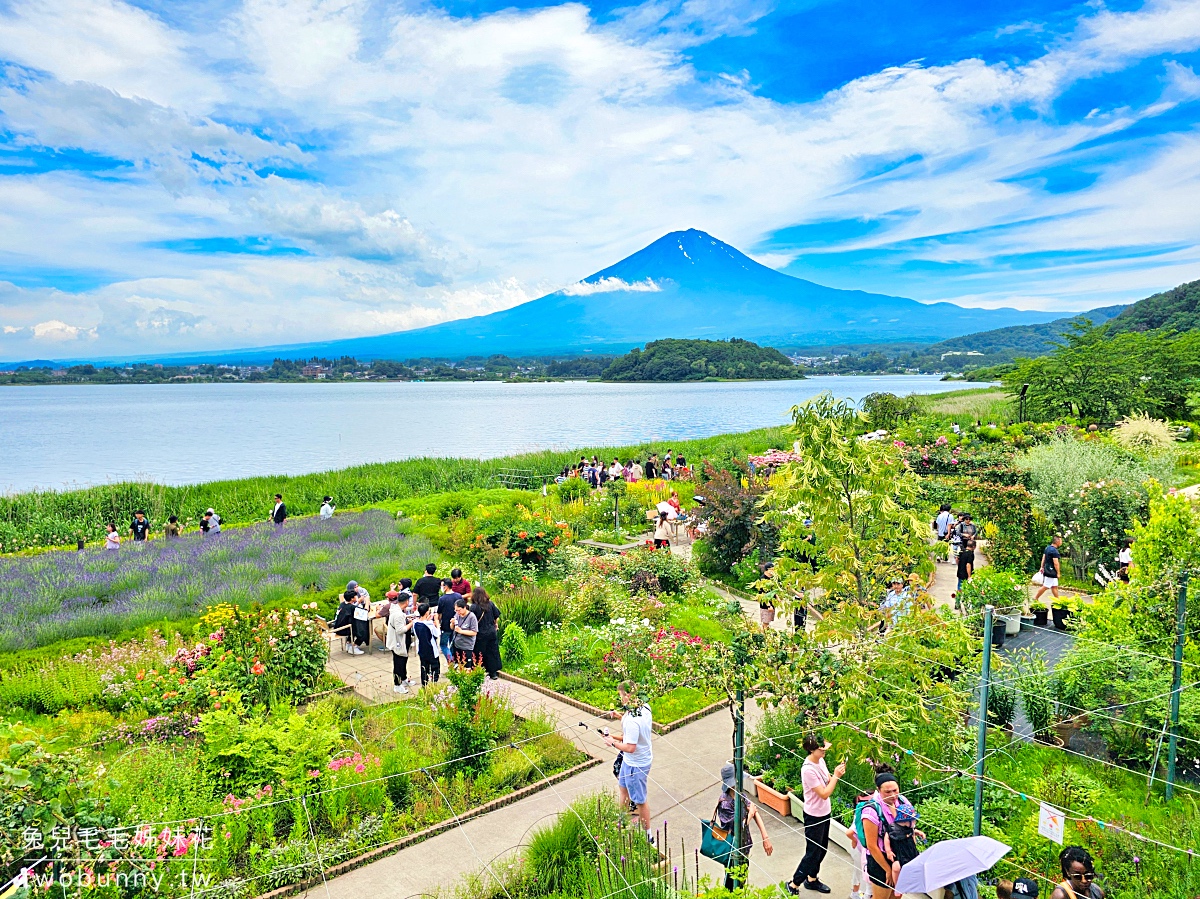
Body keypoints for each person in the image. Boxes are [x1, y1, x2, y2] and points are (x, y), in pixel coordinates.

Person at [786, 734, 846, 895]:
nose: (824, 751)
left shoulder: (821, 761)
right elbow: (824, 793)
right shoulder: (807, 770)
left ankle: (812, 879)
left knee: (822, 849)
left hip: (825, 812)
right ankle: (794, 883)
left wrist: (834, 776)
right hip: (814, 815)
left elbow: (827, 780)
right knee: (813, 852)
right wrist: (836, 777)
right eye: (821, 749)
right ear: (812, 750)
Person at [857, 769, 922, 899]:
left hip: (901, 855)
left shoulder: (902, 801)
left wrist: (915, 832)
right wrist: (887, 870)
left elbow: (908, 825)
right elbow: (872, 846)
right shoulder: (871, 811)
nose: (893, 795)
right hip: (881, 860)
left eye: (895, 790)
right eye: (887, 792)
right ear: (878, 790)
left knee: (897, 895)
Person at [602, 681, 654, 842]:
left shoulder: (632, 720)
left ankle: (649, 837)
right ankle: (620, 822)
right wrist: (619, 717)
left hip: (635, 764)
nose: (621, 700)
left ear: (629, 696)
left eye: (622, 697)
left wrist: (612, 742)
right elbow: (633, 733)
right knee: (623, 789)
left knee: (640, 801)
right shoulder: (644, 707)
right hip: (632, 761)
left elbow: (630, 746)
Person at [714, 761, 773, 890]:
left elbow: (753, 809)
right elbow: (737, 827)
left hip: (744, 846)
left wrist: (765, 837)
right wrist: (750, 814)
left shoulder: (739, 794)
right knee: (732, 883)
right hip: (732, 849)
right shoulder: (725, 803)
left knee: (742, 878)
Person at [386, 596, 417, 693]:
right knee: (398, 663)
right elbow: (400, 630)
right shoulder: (398, 614)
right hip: (398, 642)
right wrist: (412, 623)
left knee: (403, 660)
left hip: (402, 641)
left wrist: (407, 619)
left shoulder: (396, 610)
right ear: (406, 601)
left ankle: (403, 679)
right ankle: (397, 684)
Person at [470, 586, 502, 678]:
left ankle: (479, 671)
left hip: (480, 633)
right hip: (491, 631)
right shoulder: (490, 604)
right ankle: (493, 673)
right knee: (492, 651)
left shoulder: (474, 607)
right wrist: (495, 625)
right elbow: (497, 617)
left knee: (479, 652)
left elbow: (472, 621)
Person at [412, 602, 441, 686]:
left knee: (424, 668)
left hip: (421, 648)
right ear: (426, 612)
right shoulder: (430, 625)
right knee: (435, 667)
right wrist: (436, 622)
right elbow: (437, 633)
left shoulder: (415, 623)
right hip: (431, 649)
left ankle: (424, 685)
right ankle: (434, 683)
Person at [437, 579, 462, 663]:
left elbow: (439, 614)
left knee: (443, 644)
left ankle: (450, 661)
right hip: (457, 624)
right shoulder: (458, 596)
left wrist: (438, 622)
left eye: (442, 585)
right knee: (452, 644)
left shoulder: (442, 599)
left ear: (446, 586)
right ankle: (454, 661)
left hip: (446, 625)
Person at [332, 589, 365, 655]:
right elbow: (363, 614)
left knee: (355, 625)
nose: (357, 597)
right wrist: (363, 603)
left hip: (337, 627)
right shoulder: (351, 607)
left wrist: (358, 602)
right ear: (352, 599)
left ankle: (348, 643)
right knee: (363, 629)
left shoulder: (342, 604)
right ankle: (354, 646)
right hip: (344, 629)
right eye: (355, 596)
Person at [1034, 536, 1064, 604]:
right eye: (1061, 541)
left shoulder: (1047, 548)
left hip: (1047, 569)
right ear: (1058, 541)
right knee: (1046, 586)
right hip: (1051, 572)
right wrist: (1058, 573)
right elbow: (1056, 563)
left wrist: (1041, 567)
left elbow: (1043, 558)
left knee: (1054, 586)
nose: (1061, 542)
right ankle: (1035, 598)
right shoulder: (1054, 551)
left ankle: (1058, 600)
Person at [451, 597, 478, 666]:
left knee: (467, 667)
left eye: (459, 610)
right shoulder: (457, 615)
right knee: (458, 665)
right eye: (456, 610)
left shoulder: (472, 617)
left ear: (464, 607)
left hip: (467, 646)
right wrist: (452, 623)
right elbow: (452, 628)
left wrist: (461, 631)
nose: (457, 612)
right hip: (457, 645)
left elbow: (474, 632)